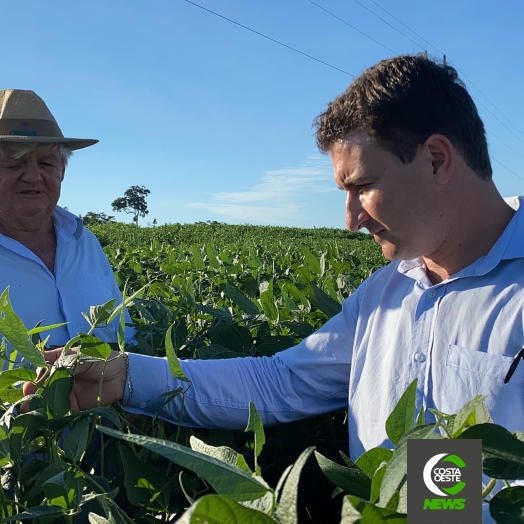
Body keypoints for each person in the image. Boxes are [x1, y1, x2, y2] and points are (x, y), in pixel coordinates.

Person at [25, 55, 524, 462]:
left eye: (363, 187)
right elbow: (280, 381)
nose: (350, 219)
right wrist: (128, 376)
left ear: (437, 159)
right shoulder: (386, 294)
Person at [0, 89, 135, 368]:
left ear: (62, 171)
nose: (34, 176)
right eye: (15, 163)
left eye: (46, 163)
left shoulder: (84, 241)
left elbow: (126, 336)